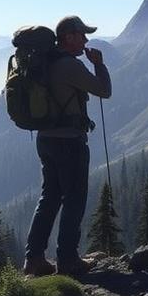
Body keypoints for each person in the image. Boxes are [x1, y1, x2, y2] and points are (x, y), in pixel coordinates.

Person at [23, 15, 112, 277]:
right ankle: (68, 260)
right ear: (69, 37)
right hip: (69, 143)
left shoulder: (44, 63)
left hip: (45, 140)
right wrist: (99, 65)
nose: (85, 40)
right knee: (74, 199)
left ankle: (34, 259)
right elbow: (104, 91)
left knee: (49, 197)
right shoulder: (69, 66)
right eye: (82, 35)